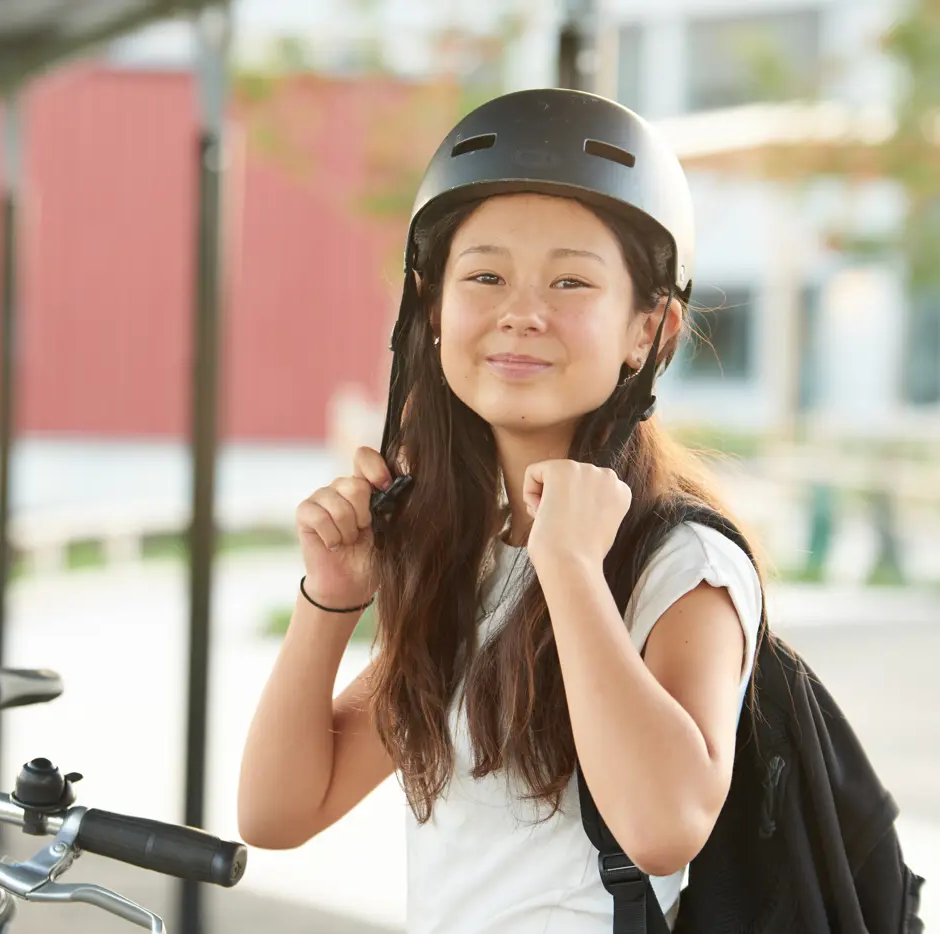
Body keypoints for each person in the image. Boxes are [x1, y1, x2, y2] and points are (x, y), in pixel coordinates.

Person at [236, 87, 766, 933]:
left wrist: (570, 569)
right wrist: (333, 597)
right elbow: (277, 813)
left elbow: (667, 828)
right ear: (432, 312)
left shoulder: (682, 565)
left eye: (571, 280)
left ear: (650, 332)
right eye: (485, 275)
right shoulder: (469, 556)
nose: (522, 312)